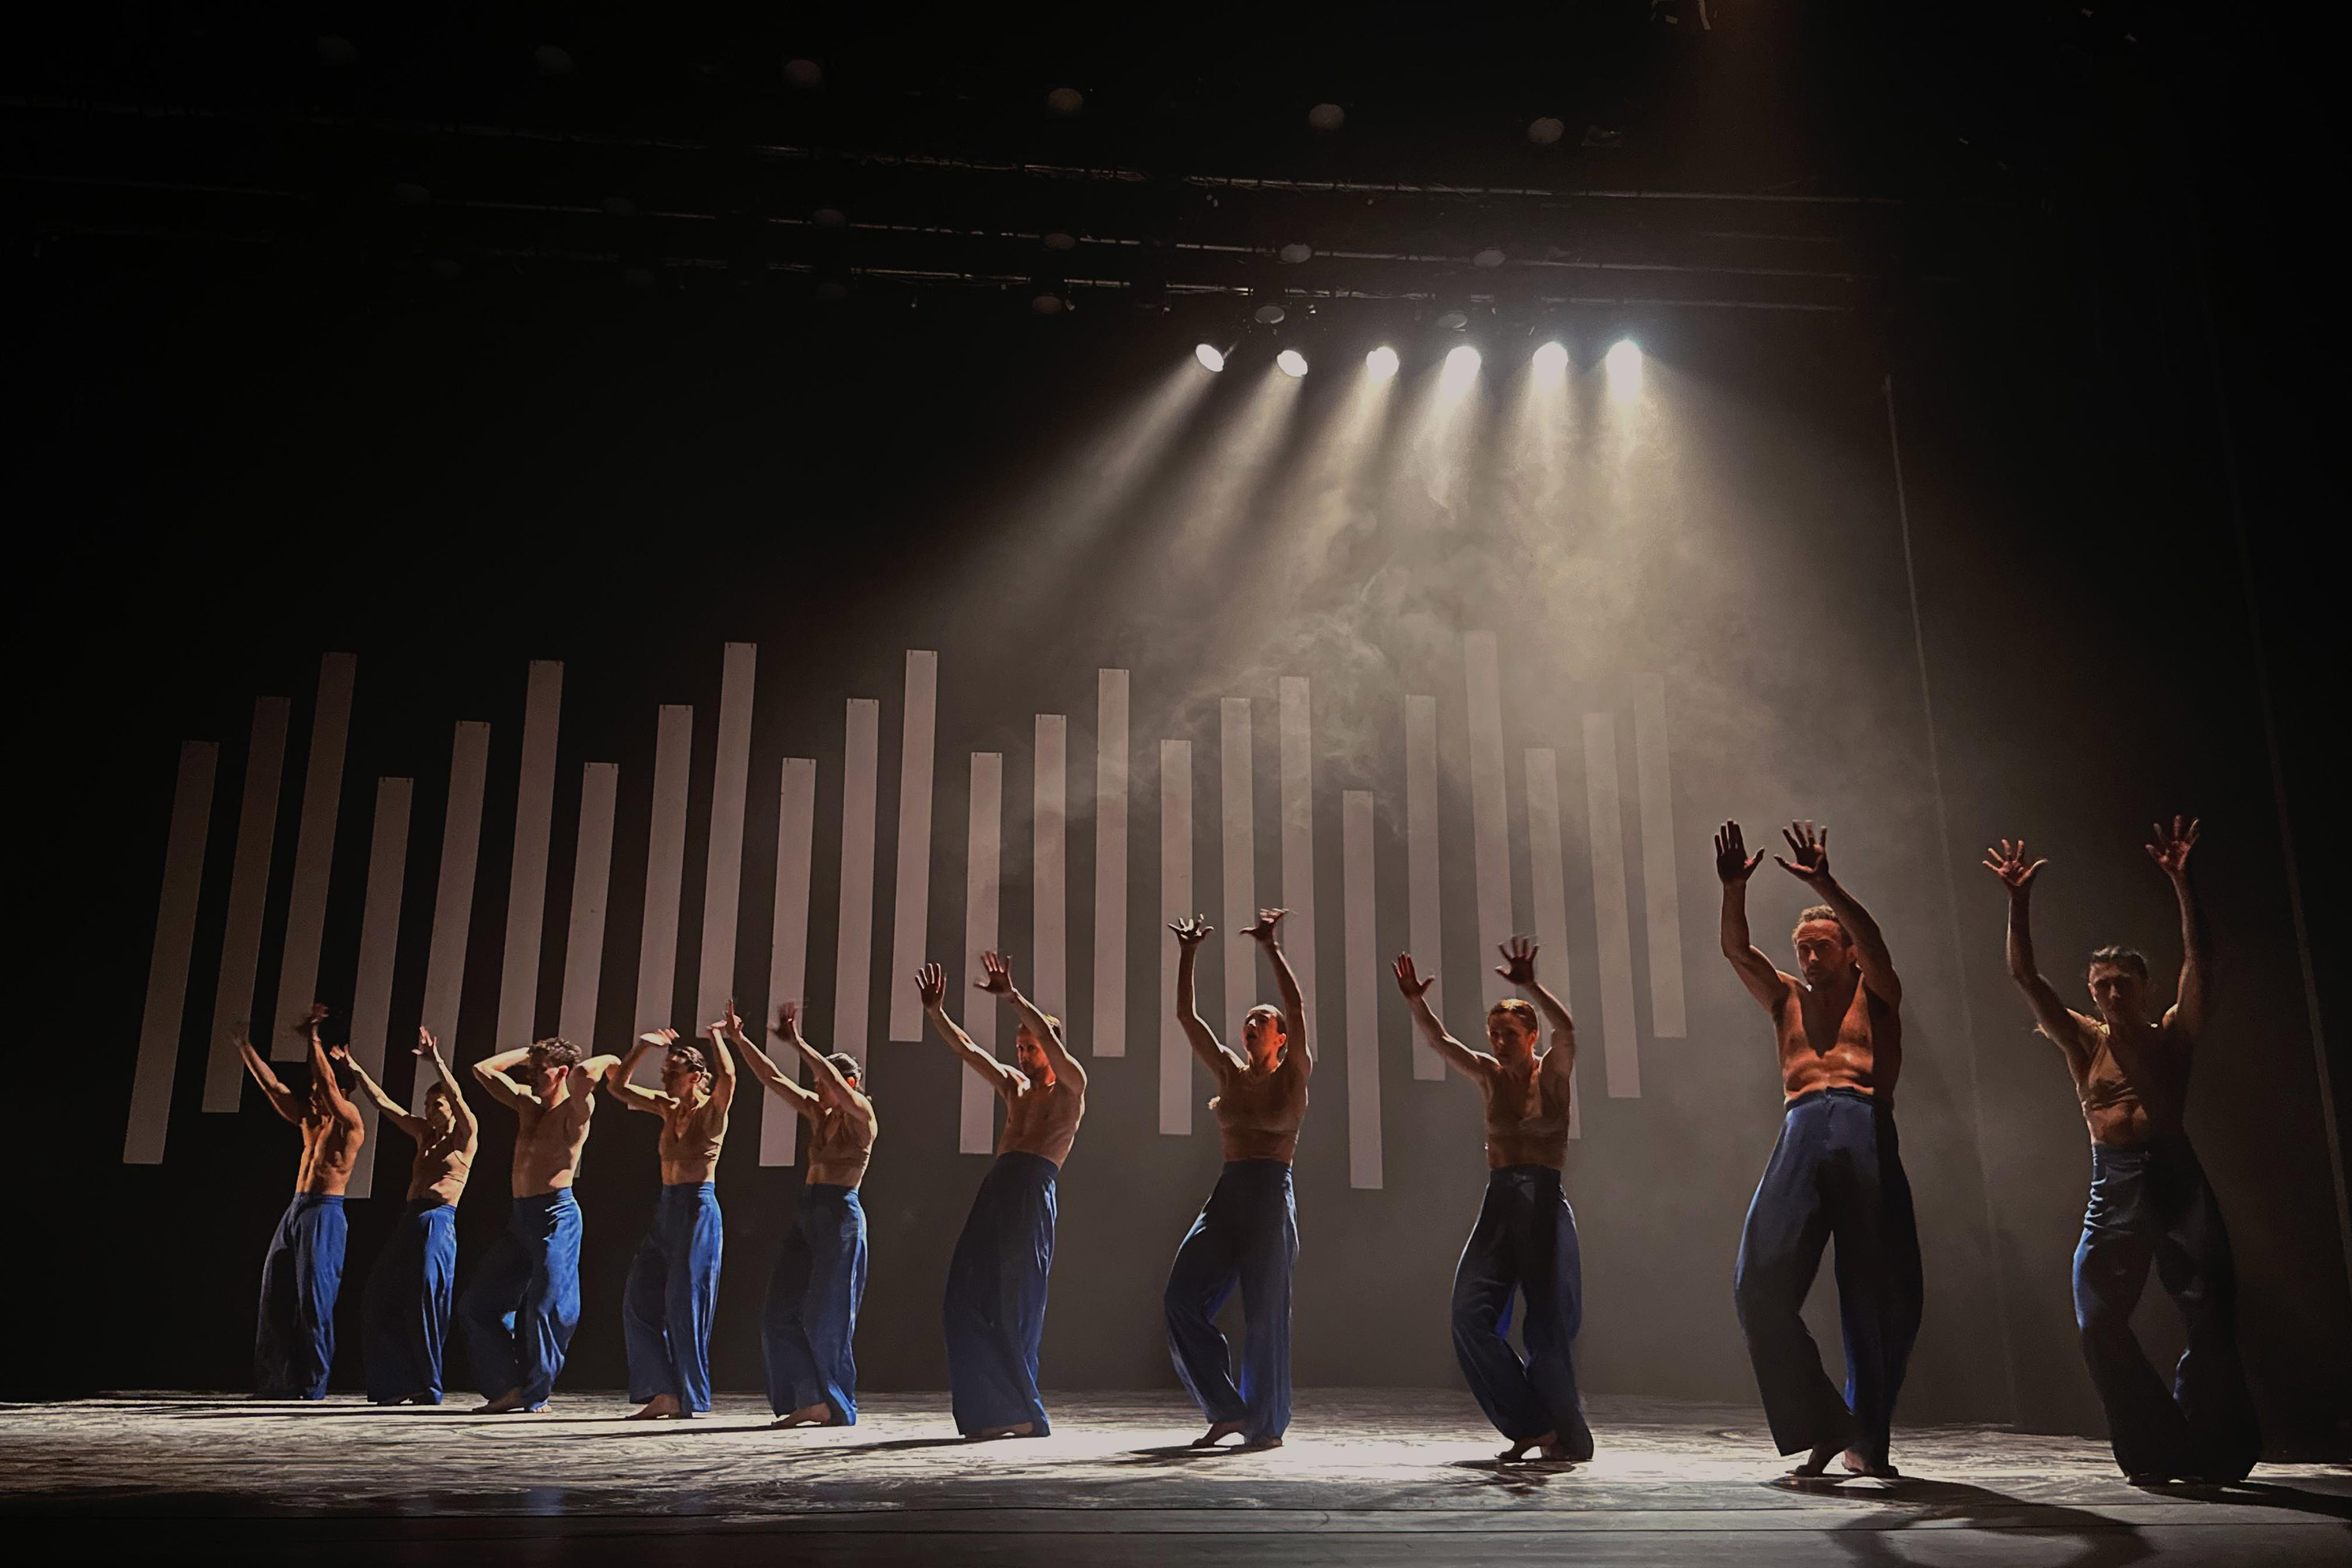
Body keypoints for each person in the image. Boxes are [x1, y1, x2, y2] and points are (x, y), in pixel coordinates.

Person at [1986, 817, 2261, 1483]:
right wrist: (2018, 901)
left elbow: (2200, 962)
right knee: (2097, 1320)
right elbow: (2024, 976)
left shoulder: (2173, 1035)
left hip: (2176, 1175)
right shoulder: (2085, 1042)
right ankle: (2156, 1442)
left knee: (2211, 1311)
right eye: (2103, 984)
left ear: (2144, 987)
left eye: (2123, 983)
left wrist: (2181, 882)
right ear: (2091, 991)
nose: (2112, 993)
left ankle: (2213, 1445)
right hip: (2115, 1182)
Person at [1715, 820, 1921, 1480]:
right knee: (1757, 1284)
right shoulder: (1785, 999)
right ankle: (1825, 1422)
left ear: (1849, 952)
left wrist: (1827, 884)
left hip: (1863, 1124)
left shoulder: (1877, 993)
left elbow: (1877, 943)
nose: (1809, 957)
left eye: (1822, 946)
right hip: (1801, 1127)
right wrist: (1734, 889)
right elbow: (1736, 950)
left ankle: (1868, 1441)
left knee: (1874, 1294)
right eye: (1802, 948)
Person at [1395, 936, 1592, 1463]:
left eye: (1511, 1034)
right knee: (1469, 1314)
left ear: (1531, 1036)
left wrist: (1532, 986)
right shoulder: (1488, 1074)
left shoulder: (1552, 1073)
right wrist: (1415, 1001)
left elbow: (1568, 1031)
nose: (1501, 1042)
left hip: (1544, 1201)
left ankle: (1569, 1436)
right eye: (1495, 1034)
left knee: (1548, 1331)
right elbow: (1440, 1041)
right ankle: (1530, 1424)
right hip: (1501, 1202)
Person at [919, 951, 1088, 1439]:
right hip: (997, 1187)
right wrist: (936, 1013)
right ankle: (993, 1410)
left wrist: (1013, 997)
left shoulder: (1071, 1087)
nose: (1023, 1055)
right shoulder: (1015, 1087)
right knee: (962, 1298)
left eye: (1031, 1047)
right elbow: (969, 1050)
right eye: (1019, 1048)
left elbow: (1051, 1046)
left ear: (1051, 1048)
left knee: (1016, 1302)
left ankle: (1023, 1410)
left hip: (1031, 1189)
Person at [1163, 907, 1312, 1449]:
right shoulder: (1229, 1070)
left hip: (1270, 1193)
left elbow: (1296, 1006)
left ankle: (1265, 1425)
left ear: (1280, 1037)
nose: (1250, 1026)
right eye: (1248, 1020)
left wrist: (1271, 947)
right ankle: (1226, 1409)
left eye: (1261, 1021)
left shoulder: (1293, 1074)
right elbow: (1186, 1017)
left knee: (1266, 1315)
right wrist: (1188, 955)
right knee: (1181, 1298)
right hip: (1229, 1194)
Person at [728, 1001, 877, 1428]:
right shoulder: (818, 1111)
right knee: (778, 1310)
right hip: (808, 1213)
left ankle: (834, 1402)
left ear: (849, 1084)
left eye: (825, 1082)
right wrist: (740, 1040)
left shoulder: (862, 1116)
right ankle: (809, 1399)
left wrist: (797, 1042)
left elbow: (834, 1082)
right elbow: (772, 1078)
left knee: (828, 1317)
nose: (817, 1088)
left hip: (839, 1215)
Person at [456, 1034, 620, 1414]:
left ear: (561, 1073)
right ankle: (508, 1388)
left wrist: (612, 1058)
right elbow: (482, 1070)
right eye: (530, 1069)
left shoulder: (576, 1109)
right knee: (476, 1305)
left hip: (555, 1215)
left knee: (547, 1307)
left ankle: (537, 1393)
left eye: (540, 1070)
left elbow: (585, 1073)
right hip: (521, 1218)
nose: (531, 1075)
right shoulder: (526, 1104)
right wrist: (530, 1054)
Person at [603, 1015, 735, 1421]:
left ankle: (691, 1396)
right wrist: (642, 1047)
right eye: (664, 1072)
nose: (664, 1079)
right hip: (667, 1209)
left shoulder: (712, 1111)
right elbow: (617, 1087)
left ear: (695, 1077)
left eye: (672, 1073)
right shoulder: (666, 1107)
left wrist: (716, 1037)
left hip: (697, 1209)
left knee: (684, 1304)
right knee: (638, 1300)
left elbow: (729, 1077)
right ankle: (663, 1392)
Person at [341, 1026, 477, 1405]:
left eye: (437, 1106)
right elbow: (385, 1104)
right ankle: (396, 1384)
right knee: (378, 1296)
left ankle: (430, 1387)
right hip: (410, 1221)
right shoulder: (423, 1134)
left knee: (426, 1303)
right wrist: (357, 1070)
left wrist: (437, 1062)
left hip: (438, 1221)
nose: (430, 1111)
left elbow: (458, 1097)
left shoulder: (464, 1137)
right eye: (427, 1105)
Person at [237, 1002, 364, 1399]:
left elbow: (327, 1085)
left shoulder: (350, 1121)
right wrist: (245, 1047)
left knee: (315, 1300)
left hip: (325, 1213)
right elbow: (273, 1088)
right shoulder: (310, 1121)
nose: (313, 1094)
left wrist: (313, 1038)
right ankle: (274, 1382)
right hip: (297, 1209)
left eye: (320, 1089)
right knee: (275, 1292)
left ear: (341, 1091)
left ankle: (312, 1384)